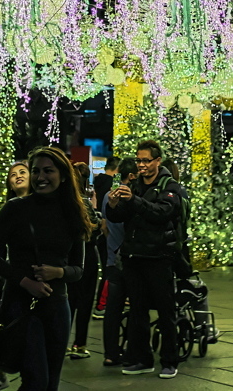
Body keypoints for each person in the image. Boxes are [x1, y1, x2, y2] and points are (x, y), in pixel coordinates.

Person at [0, 146, 95, 391]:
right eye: (35, 171)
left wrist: (60, 272)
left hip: (57, 307)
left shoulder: (73, 212)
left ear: (63, 175)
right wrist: (25, 281)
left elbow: (79, 268)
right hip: (21, 306)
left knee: (51, 383)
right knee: (36, 381)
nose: (40, 177)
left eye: (48, 171)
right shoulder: (15, 208)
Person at [106, 139, 184, 379]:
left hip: (158, 257)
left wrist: (133, 200)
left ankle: (170, 360)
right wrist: (112, 204)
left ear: (157, 161)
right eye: (138, 160)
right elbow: (119, 217)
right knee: (137, 311)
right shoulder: (135, 185)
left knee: (165, 310)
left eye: (145, 161)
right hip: (133, 257)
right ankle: (142, 358)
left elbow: (162, 213)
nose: (141, 165)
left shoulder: (169, 186)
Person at [0, 162, 31, 391]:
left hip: (33, 279)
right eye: (13, 174)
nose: (18, 176)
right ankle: (1, 375)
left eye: (23, 172)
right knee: (4, 326)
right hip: (9, 279)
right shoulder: (9, 208)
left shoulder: (40, 208)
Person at [100, 157, 137, 367]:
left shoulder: (107, 195)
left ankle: (110, 353)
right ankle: (132, 350)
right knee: (135, 308)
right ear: (131, 176)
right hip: (130, 260)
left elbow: (105, 226)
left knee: (112, 311)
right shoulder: (129, 196)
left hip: (112, 259)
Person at [67, 162, 100, 359]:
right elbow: (94, 224)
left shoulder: (64, 200)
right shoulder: (84, 201)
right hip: (86, 255)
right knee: (85, 301)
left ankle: (62, 340)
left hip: (68, 257)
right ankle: (79, 344)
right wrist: (95, 208)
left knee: (69, 299)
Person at [91, 157, 120, 321]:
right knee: (110, 270)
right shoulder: (113, 184)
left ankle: (100, 305)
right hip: (109, 234)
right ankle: (101, 306)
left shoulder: (97, 182)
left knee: (106, 270)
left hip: (100, 236)